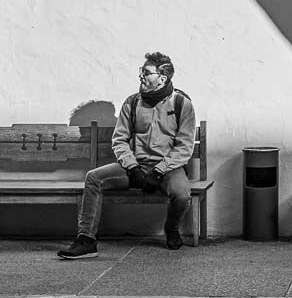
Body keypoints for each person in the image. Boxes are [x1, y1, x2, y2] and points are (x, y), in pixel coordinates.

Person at [58, 52, 198, 258]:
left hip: (169, 168)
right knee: (93, 178)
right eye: (141, 71)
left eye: (147, 72)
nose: (141, 76)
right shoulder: (132, 103)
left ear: (163, 78)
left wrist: (159, 171)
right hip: (136, 167)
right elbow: (120, 139)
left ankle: (171, 228)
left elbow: (184, 146)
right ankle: (86, 241)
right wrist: (132, 167)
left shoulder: (181, 104)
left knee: (182, 195)